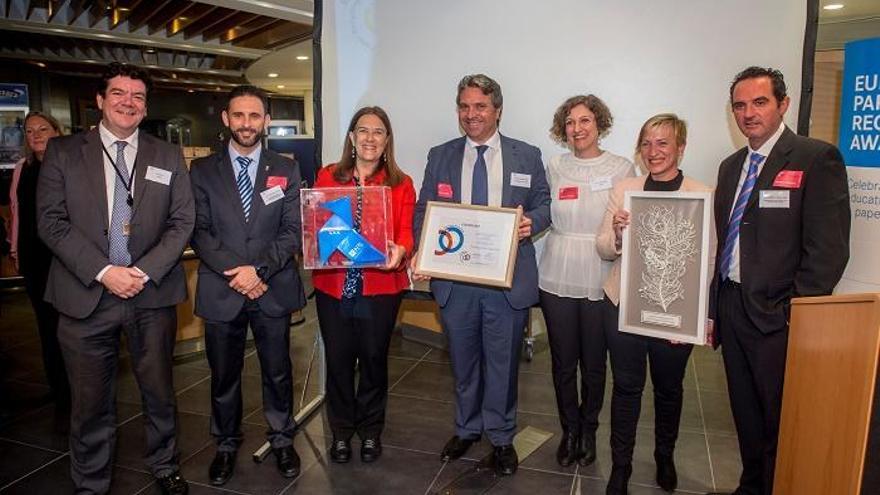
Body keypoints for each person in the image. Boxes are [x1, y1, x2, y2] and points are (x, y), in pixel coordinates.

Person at [37, 62, 194, 494]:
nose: (129, 102)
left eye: (138, 97)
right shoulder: (64, 153)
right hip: (85, 294)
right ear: (101, 101)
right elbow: (51, 224)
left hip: (151, 294)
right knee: (89, 403)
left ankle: (165, 466)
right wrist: (106, 272)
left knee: (160, 393)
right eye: (119, 94)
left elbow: (182, 222)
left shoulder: (166, 155)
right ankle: (91, 482)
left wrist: (139, 271)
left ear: (145, 108)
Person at [705, 67, 850, 495]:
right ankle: (751, 486)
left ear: (783, 104)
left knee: (779, 419)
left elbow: (828, 251)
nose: (749, 113)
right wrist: (716, 309)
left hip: (778, 319)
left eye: (760, 102)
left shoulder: (814, 158)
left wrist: (793, 312)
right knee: (745, 415)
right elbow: (727, 238)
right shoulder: (731, 167)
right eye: (740, 105)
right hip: (733, 308)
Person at [412, 73, 551, 476]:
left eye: (480, 107)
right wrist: (424, 246)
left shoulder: (526, 154)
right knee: (464, 361)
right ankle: (467, 428)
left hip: (505, 282)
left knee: (502, 365)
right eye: (465, 106)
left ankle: (503, 437)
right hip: (456, 283)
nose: (471, 114)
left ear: (497, 110)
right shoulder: (440, 154)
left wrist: (533, 222)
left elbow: (543, 203)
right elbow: (426, 209)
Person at [189, 85, 306, 486]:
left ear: (266, 121)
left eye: (254, 116)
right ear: (226, 119)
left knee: (278, 371)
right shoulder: (202, 171)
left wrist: (257, 271)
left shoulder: (286, 169)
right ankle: (225, 444)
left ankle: (281, 437)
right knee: (223, 374)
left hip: (270, 286)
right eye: (238, 116)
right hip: (223, 289)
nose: (246, 124)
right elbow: (199, 232)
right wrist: (237, 274)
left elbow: (293, 231)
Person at [596, 113, 715, 494]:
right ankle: (621, 466)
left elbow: (708, 260)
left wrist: (692, 318)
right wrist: (616, 231)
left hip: (673, 313)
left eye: (663, 143)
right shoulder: (626, 188)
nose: (653, 151)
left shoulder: (702, 194)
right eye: (647, 143)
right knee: (627, 387)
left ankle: (665, 456)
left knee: (668, 389)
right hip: (623, 306)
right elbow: (602, 246)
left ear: (680, 147)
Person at [312, 106, 415, 464]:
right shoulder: (328, 176)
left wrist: (402, 249)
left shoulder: (401, 183)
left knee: (373, 361)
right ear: (352, 138)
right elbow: (318, 224)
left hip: (381, 287)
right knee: (339, 361)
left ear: (387, 140)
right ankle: (341, 433)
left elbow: (406, 230)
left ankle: (370, 431)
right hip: (334, 286)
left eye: (378, 132)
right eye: (363, 131)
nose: (370, 138)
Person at [539, 95, 634, 467]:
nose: (577, 129)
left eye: (585, 121)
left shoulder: (621, 166)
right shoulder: (554, 166)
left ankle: (590, 431)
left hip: (600, 271)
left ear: (600, 124)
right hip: (556, 270)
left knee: (595, 363)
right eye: (570, 123)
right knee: (563, 362)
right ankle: (570, 430)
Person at [8, 111, 70, 408]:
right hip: (34, 258)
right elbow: (17, 210)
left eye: (43, 129)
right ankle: (58, 389)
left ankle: (80, 387)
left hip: (66, 258)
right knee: (46, 327)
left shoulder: (71, 164)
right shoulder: (23, 168)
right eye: (30, 131)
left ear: (57, 131)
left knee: (70, 326)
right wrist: (15, 249)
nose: (36, 136)